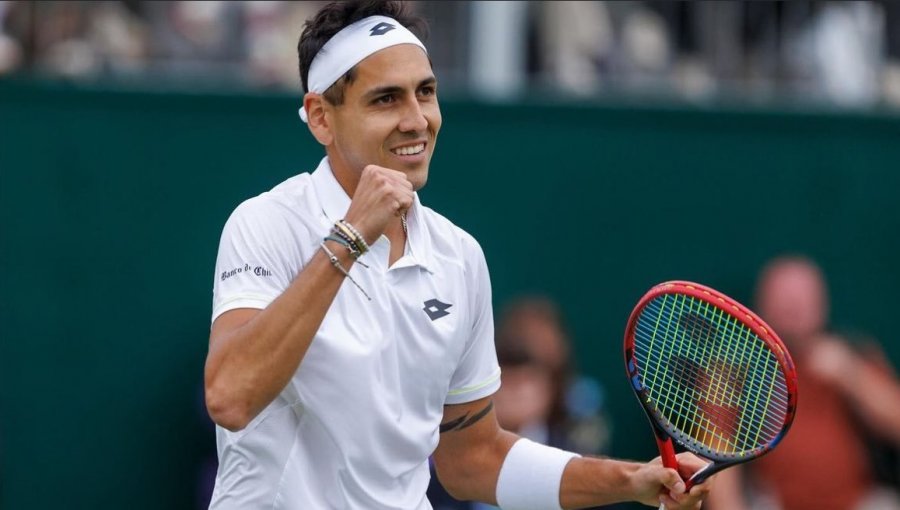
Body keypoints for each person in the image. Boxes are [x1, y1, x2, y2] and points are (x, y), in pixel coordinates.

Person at [204, 1, 712, 509]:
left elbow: (474, 459)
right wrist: (350, 238)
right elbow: (231, 396)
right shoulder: (265, 223)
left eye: (425, 92)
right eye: (386, 100)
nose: (416, 120)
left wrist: (628, 481)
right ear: (321, 118)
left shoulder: (459, 257)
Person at [707, 255, 900, 510]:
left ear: (822, 303)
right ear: (761, 304)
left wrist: (853, 377)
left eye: (802, 297)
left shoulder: (855, 354)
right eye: (784, 298)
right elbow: (714, 462)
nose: (793, 307)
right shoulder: (732, 371)